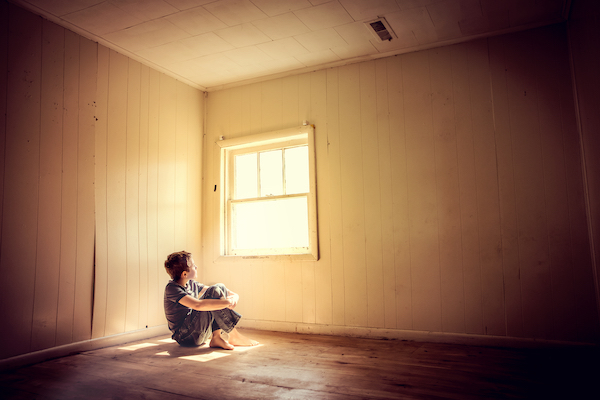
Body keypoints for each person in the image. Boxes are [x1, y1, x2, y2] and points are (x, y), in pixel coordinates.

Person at [163, 250, 258, 350]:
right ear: (184, 274)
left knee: (219, 286)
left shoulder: (191, 284)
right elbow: (197, 305)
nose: (196, 267)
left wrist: (235, 296)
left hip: (197, 332)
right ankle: (234, 335)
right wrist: (227, 302)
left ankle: (216, 338)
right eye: (193, 266)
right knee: (214, 290)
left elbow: (222, 290)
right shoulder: (172, 288)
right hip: (185, 336)